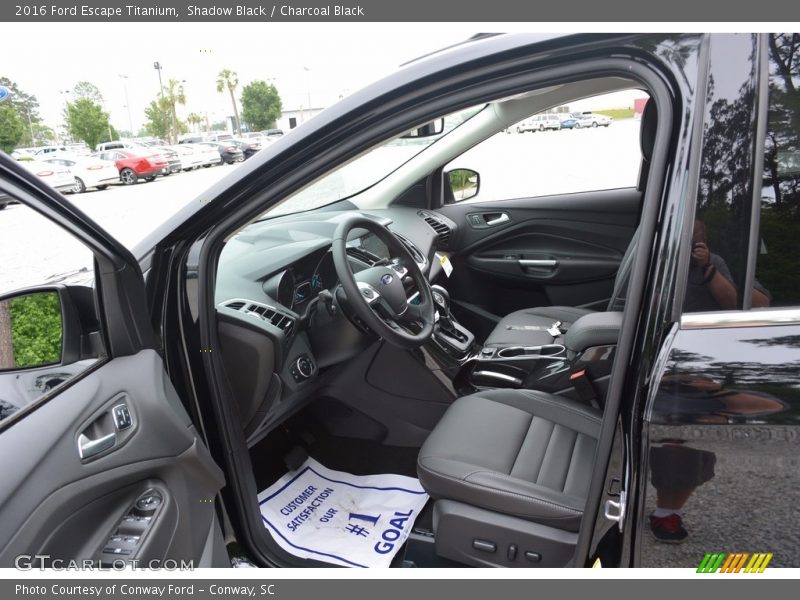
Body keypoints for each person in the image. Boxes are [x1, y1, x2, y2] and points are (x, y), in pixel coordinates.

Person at [683, 219, 770, 311]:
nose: (687, 250)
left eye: (693, 244)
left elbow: (762, 304)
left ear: (704, 241)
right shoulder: (672, 263)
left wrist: (706, 267)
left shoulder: (719, 262)